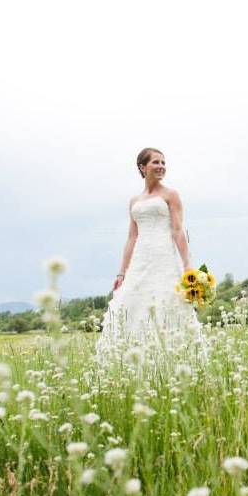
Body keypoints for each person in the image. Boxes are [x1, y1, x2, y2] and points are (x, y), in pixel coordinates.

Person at [95, 148, 205, 367]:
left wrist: (188, 265)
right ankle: (129, 362)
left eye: (163, 162)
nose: (161, 166)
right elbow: (131, 237)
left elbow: (177, 230)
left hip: (164, 256)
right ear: (142, 167)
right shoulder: (134, 201)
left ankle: (174, 361)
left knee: (166, 302)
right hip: (140, 259)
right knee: (131, 303)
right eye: (156, 162)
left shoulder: (170, 195)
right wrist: (121, 272)